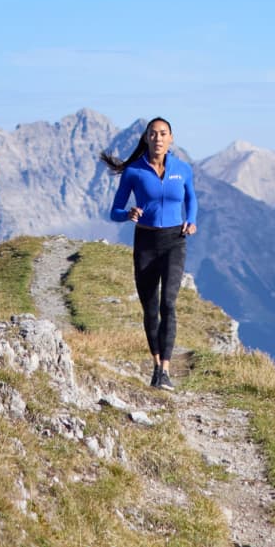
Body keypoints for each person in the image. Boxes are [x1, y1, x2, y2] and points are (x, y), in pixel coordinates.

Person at [101, 117, 197, 390]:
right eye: (152, 134)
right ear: (146, 138)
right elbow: (114, 211)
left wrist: (191, 219)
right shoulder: (134, 171)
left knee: (168, 303)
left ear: (171, 139)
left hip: (175, 240)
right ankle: (156, 366)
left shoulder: (183, 169)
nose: (158, 138)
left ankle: (165, 370)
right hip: (145, 240)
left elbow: (191, 198)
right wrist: (128, 213)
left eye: (163, 134)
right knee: (151, 307)